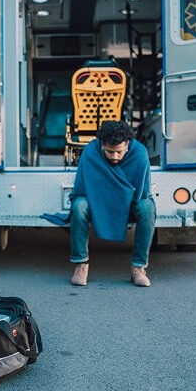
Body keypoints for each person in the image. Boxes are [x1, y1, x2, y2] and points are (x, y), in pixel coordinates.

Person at [68, 120, 156, 287]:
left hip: (130, 201)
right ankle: (81, 264)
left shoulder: (140, 152)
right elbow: (83, 187)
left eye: (119, 152)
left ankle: (139, 267)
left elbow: (141, 192)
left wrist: (120, 199)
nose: (115, 156)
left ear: (127, 145)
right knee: (79, 205)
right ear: (102, 145)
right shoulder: (91, 151)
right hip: (98, 200)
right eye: (110, 152)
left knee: (147, 207)